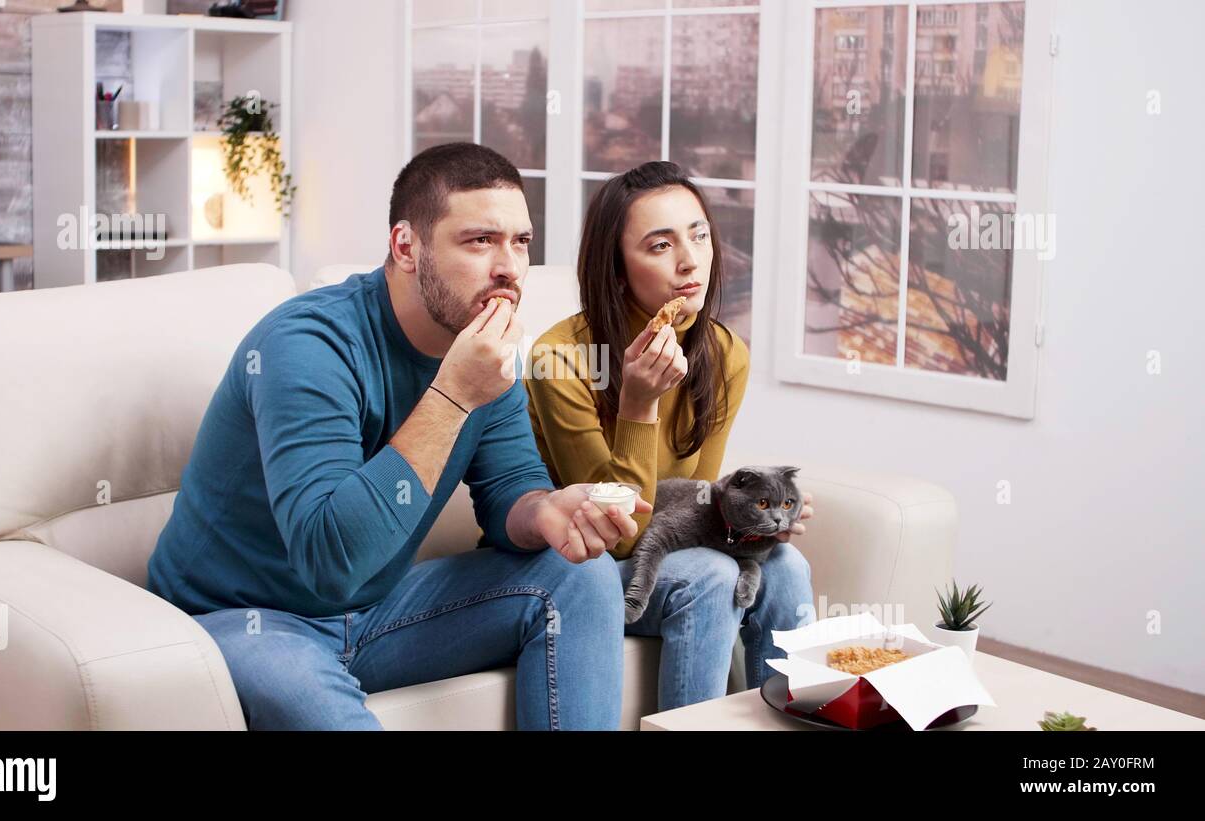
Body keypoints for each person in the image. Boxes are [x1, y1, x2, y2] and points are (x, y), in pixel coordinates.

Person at [147, 143, 649, 730]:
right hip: (245, 618)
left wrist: (544, 512)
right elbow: (328, 560)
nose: (510, 267)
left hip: (378, 607)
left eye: (521, 241)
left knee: (580, 576)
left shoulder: (481, 350)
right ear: (406, 246)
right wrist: (454, 393)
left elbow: (509, 487)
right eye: (480, 240)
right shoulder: (307, 347)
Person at [525, 161, 816, 711]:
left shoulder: (725, 354)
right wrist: (638, 406)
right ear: (616, 269)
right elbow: (621, 535)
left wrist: (752, 518)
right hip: (581, 570)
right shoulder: (560, 359)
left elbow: (702, 504)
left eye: (699, 234)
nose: (691, 261)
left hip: (668, 547)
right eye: (660, 246)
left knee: (787, 564)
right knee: (708, 572)